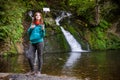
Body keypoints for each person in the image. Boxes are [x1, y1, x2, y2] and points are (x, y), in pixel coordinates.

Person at [27, 11, 45, 76]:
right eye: (36, 15)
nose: (37, 16)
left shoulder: (42, 25)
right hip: (32, 42)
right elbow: (28, 33)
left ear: (40, 17)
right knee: (29, 56)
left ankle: (39, 71)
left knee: (40, 57)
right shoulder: (32, 24)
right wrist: (31, 28)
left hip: (40, 42)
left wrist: (43, 30)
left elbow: (43, 35)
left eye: (39, 15)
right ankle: (32, 70)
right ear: (35, 17)